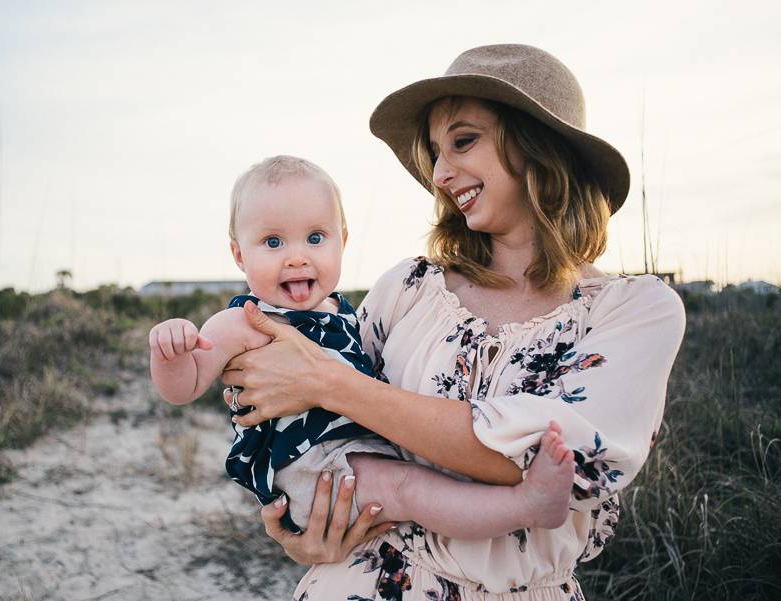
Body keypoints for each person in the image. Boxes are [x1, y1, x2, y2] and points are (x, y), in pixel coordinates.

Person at [221, 45, 686, 600]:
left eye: (463, 141)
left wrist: (334, 384)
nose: (440, 174)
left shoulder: (633, 310)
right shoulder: (409, 288)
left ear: (539, 144)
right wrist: (306, 532)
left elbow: (567, 461)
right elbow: (298, 414)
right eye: (435, 153)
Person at [149, 154, 576, 537]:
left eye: (315, 238)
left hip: (358, 451)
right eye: (273, 242)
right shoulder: (241, 322)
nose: (297, 257)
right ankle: (524, 506)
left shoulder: (345, 313)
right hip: (310, 466)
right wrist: (170, 351)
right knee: (408, 487)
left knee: (413, 483)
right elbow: (182, 388)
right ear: (239, 255)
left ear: (343, 240)